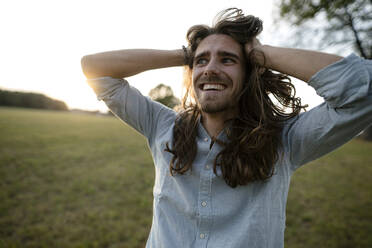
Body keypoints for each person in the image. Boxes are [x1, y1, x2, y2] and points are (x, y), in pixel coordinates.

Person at [81, 8, 372, 248]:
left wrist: (259, 54)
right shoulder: (162, 125)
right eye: (201, 61)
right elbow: (94, 68)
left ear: (249, 75)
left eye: (228, 60)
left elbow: (364, 90)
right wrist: (185, 54)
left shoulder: (286, 139)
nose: (209, 69)